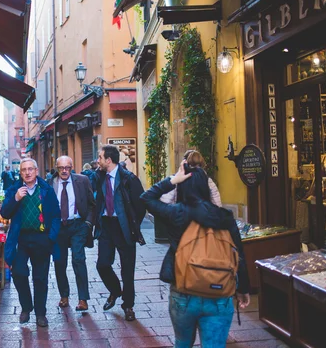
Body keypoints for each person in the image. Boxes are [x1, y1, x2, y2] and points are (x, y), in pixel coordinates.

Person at [140, 161, 250, 347]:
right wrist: (243, 288)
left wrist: (173, 180)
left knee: (182, 343)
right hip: (220, 290)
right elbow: (238, 253)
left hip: (184, 290)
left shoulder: (176, 213)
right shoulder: (224, 216)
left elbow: (146, 198)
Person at [0, 158, 61, 327]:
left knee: (40, 278)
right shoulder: (14, 189)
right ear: (20, 173)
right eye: (23, 170)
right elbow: (4, 213)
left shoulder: (46, 190)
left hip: (42, 239)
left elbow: (56, 214)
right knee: (19, 273)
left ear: (36, 171)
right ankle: (26, 307)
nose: (27, 173)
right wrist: (16, 198)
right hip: (21, 239)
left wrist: (51, 237)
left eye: (30, 169)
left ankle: (40, 314)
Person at [89, 145, 146, 321]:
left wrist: (132, 224)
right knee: (102, 265)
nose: (97, 160)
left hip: (124, 228)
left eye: (99, 157)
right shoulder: (99, 176)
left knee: (127, 269)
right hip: (106, 225)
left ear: (108, 160)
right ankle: (115, 290)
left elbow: (141, 205)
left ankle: (128, 305)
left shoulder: (129, 178)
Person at [52, 156, 95, 311]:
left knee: (79, 260)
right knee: (59, 262)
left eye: (67, 167)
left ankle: (83, 299)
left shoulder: (82, 181)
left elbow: (92, 204)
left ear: (72, 167)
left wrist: (88, 224)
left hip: (77, 225)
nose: (64, 171)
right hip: (59, 228)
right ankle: (64, 295)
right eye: (61, 168)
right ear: (56, 168)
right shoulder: (51, 183)